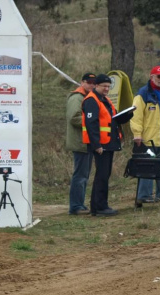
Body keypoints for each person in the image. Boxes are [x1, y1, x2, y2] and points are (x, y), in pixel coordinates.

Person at [82, 74, 134, 216]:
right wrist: (96, 145)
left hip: (108, 143)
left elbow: (114, 119)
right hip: (101, 145)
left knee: (104, 175)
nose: (106, 88)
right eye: (104, 86)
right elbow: (91, 124)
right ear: (96, 86)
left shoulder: (105, 100)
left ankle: (97, 206)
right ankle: (100, 207)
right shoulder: (92, 101)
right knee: (102, 176)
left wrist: (128, 114)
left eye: (108, 86)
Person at [130, 65, 160, 203]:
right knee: (147, 168)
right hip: (148, 139)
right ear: (152, 77)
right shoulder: (143, 94)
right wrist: (137, 134)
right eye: (159, 76)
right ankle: (144, 196)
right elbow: (136, 116)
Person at [66, 72, 96, 215]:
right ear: (82, 82)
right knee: (80, 176)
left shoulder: (88, 97)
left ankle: (80, 204)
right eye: (89, 82)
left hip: (86, 142)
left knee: (84, 175)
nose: (91, 85)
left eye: (93, 83)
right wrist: (92, 123)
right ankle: (76, 206)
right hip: (80, 142)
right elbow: (74, 118)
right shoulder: (77, 97)